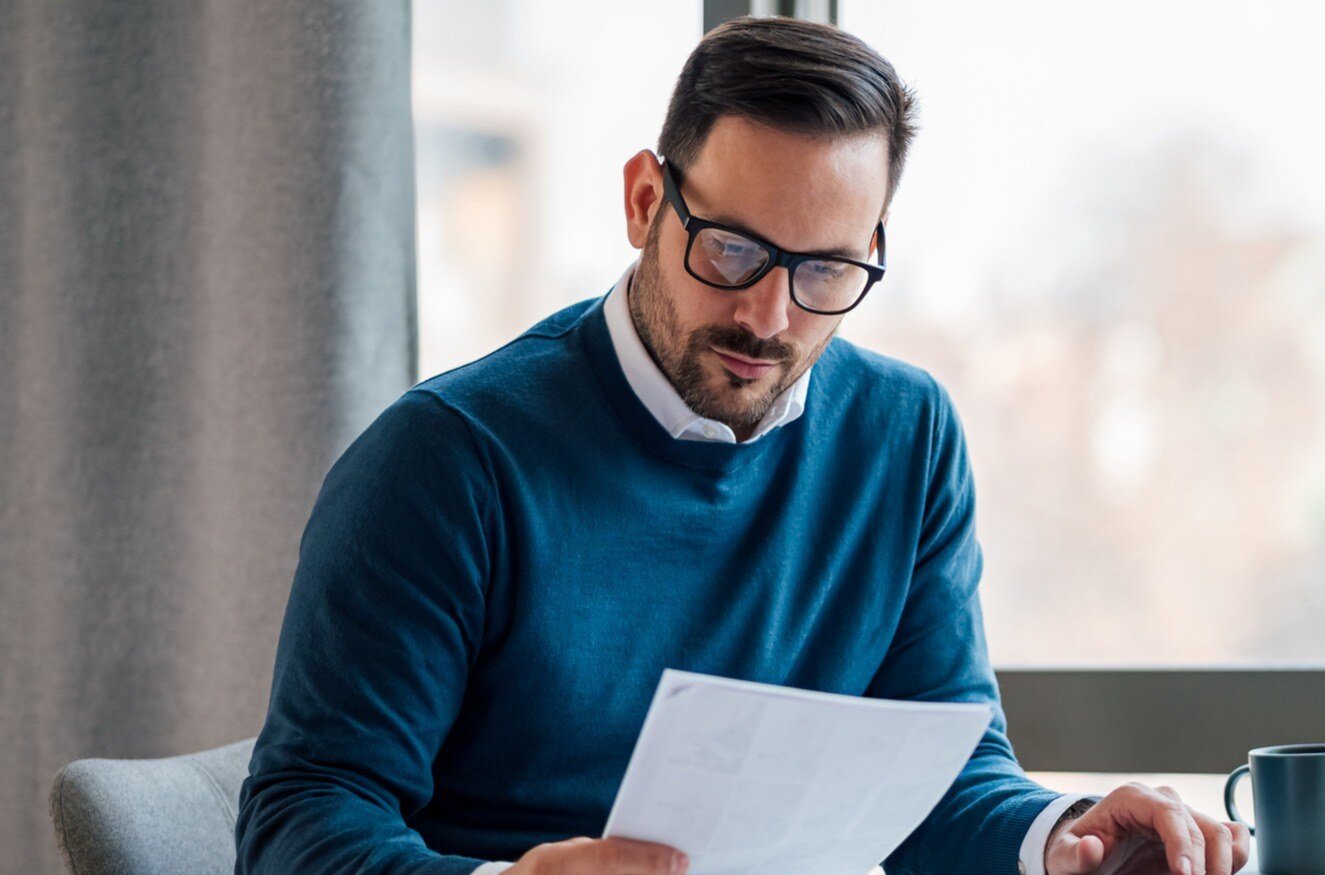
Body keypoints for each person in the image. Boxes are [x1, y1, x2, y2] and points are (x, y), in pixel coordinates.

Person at [234, 16, 1249, 875]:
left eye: (826, 270)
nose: (768, 315)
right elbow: (299, 823)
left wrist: (1062, 834)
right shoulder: (448, 462)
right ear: (644, 202)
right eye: (731, 249)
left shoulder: (907, 435)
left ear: (876, 252)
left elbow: (942, 772)